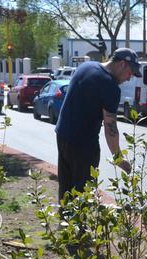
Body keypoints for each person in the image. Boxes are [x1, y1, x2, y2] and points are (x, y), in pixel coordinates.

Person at [53, 49, 139, 201]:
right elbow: (110, 127)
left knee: (66, 189)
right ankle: (79, 225)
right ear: (122, 64)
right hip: (84, 145)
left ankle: (64, 222)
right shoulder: (110, 86)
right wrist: (119, 159)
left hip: (63, 135)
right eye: (130, 72)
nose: (129, 78)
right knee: (83, 195)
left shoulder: (86, 67)